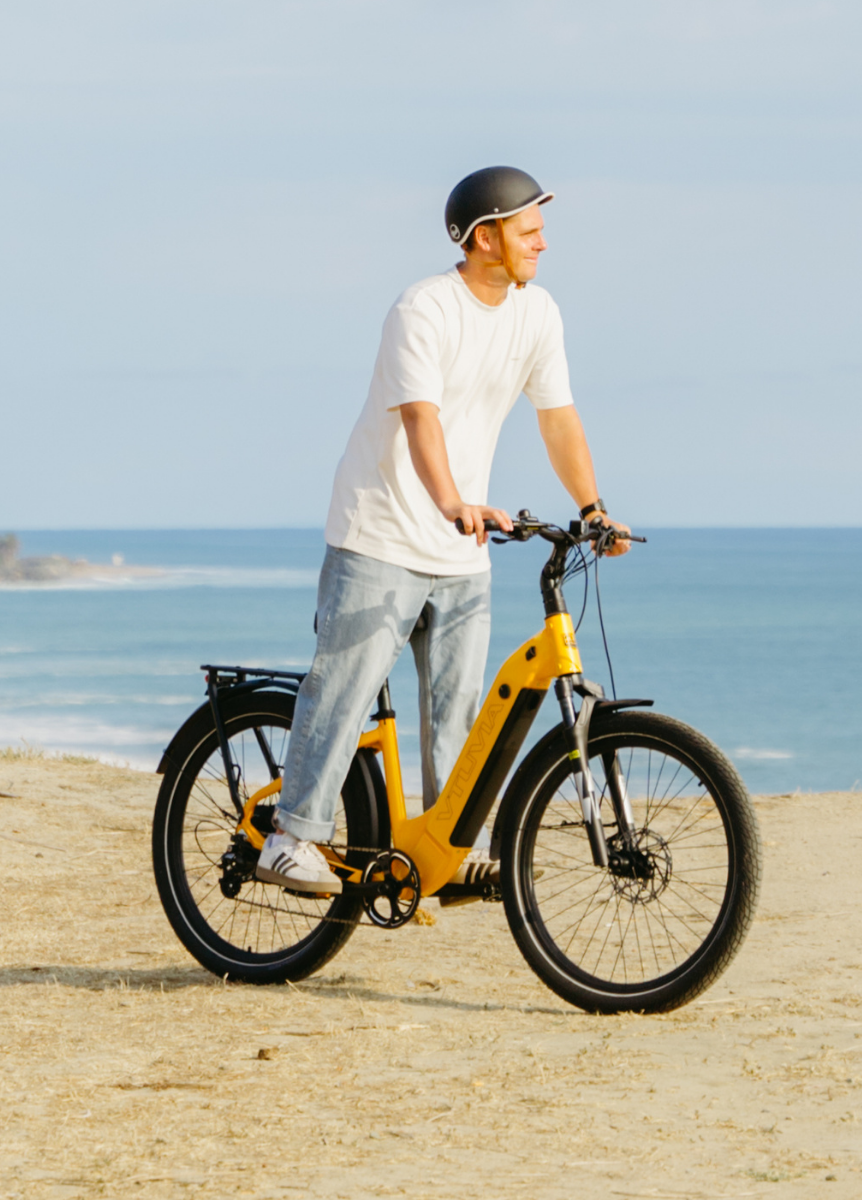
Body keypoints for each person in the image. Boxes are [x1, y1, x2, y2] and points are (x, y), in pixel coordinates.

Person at [257, 165, 630, 895]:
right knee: (346, 687)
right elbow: (420, 418)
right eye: (530, 231)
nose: (543, 244)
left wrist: (592, 508)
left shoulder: (537, 314)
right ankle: (290, 836)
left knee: (461, 713)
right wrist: (453, 499)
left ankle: (448, 854)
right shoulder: (422, 309)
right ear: (485, 237)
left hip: (462, 550)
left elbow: (557, 417)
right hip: (381, 533)